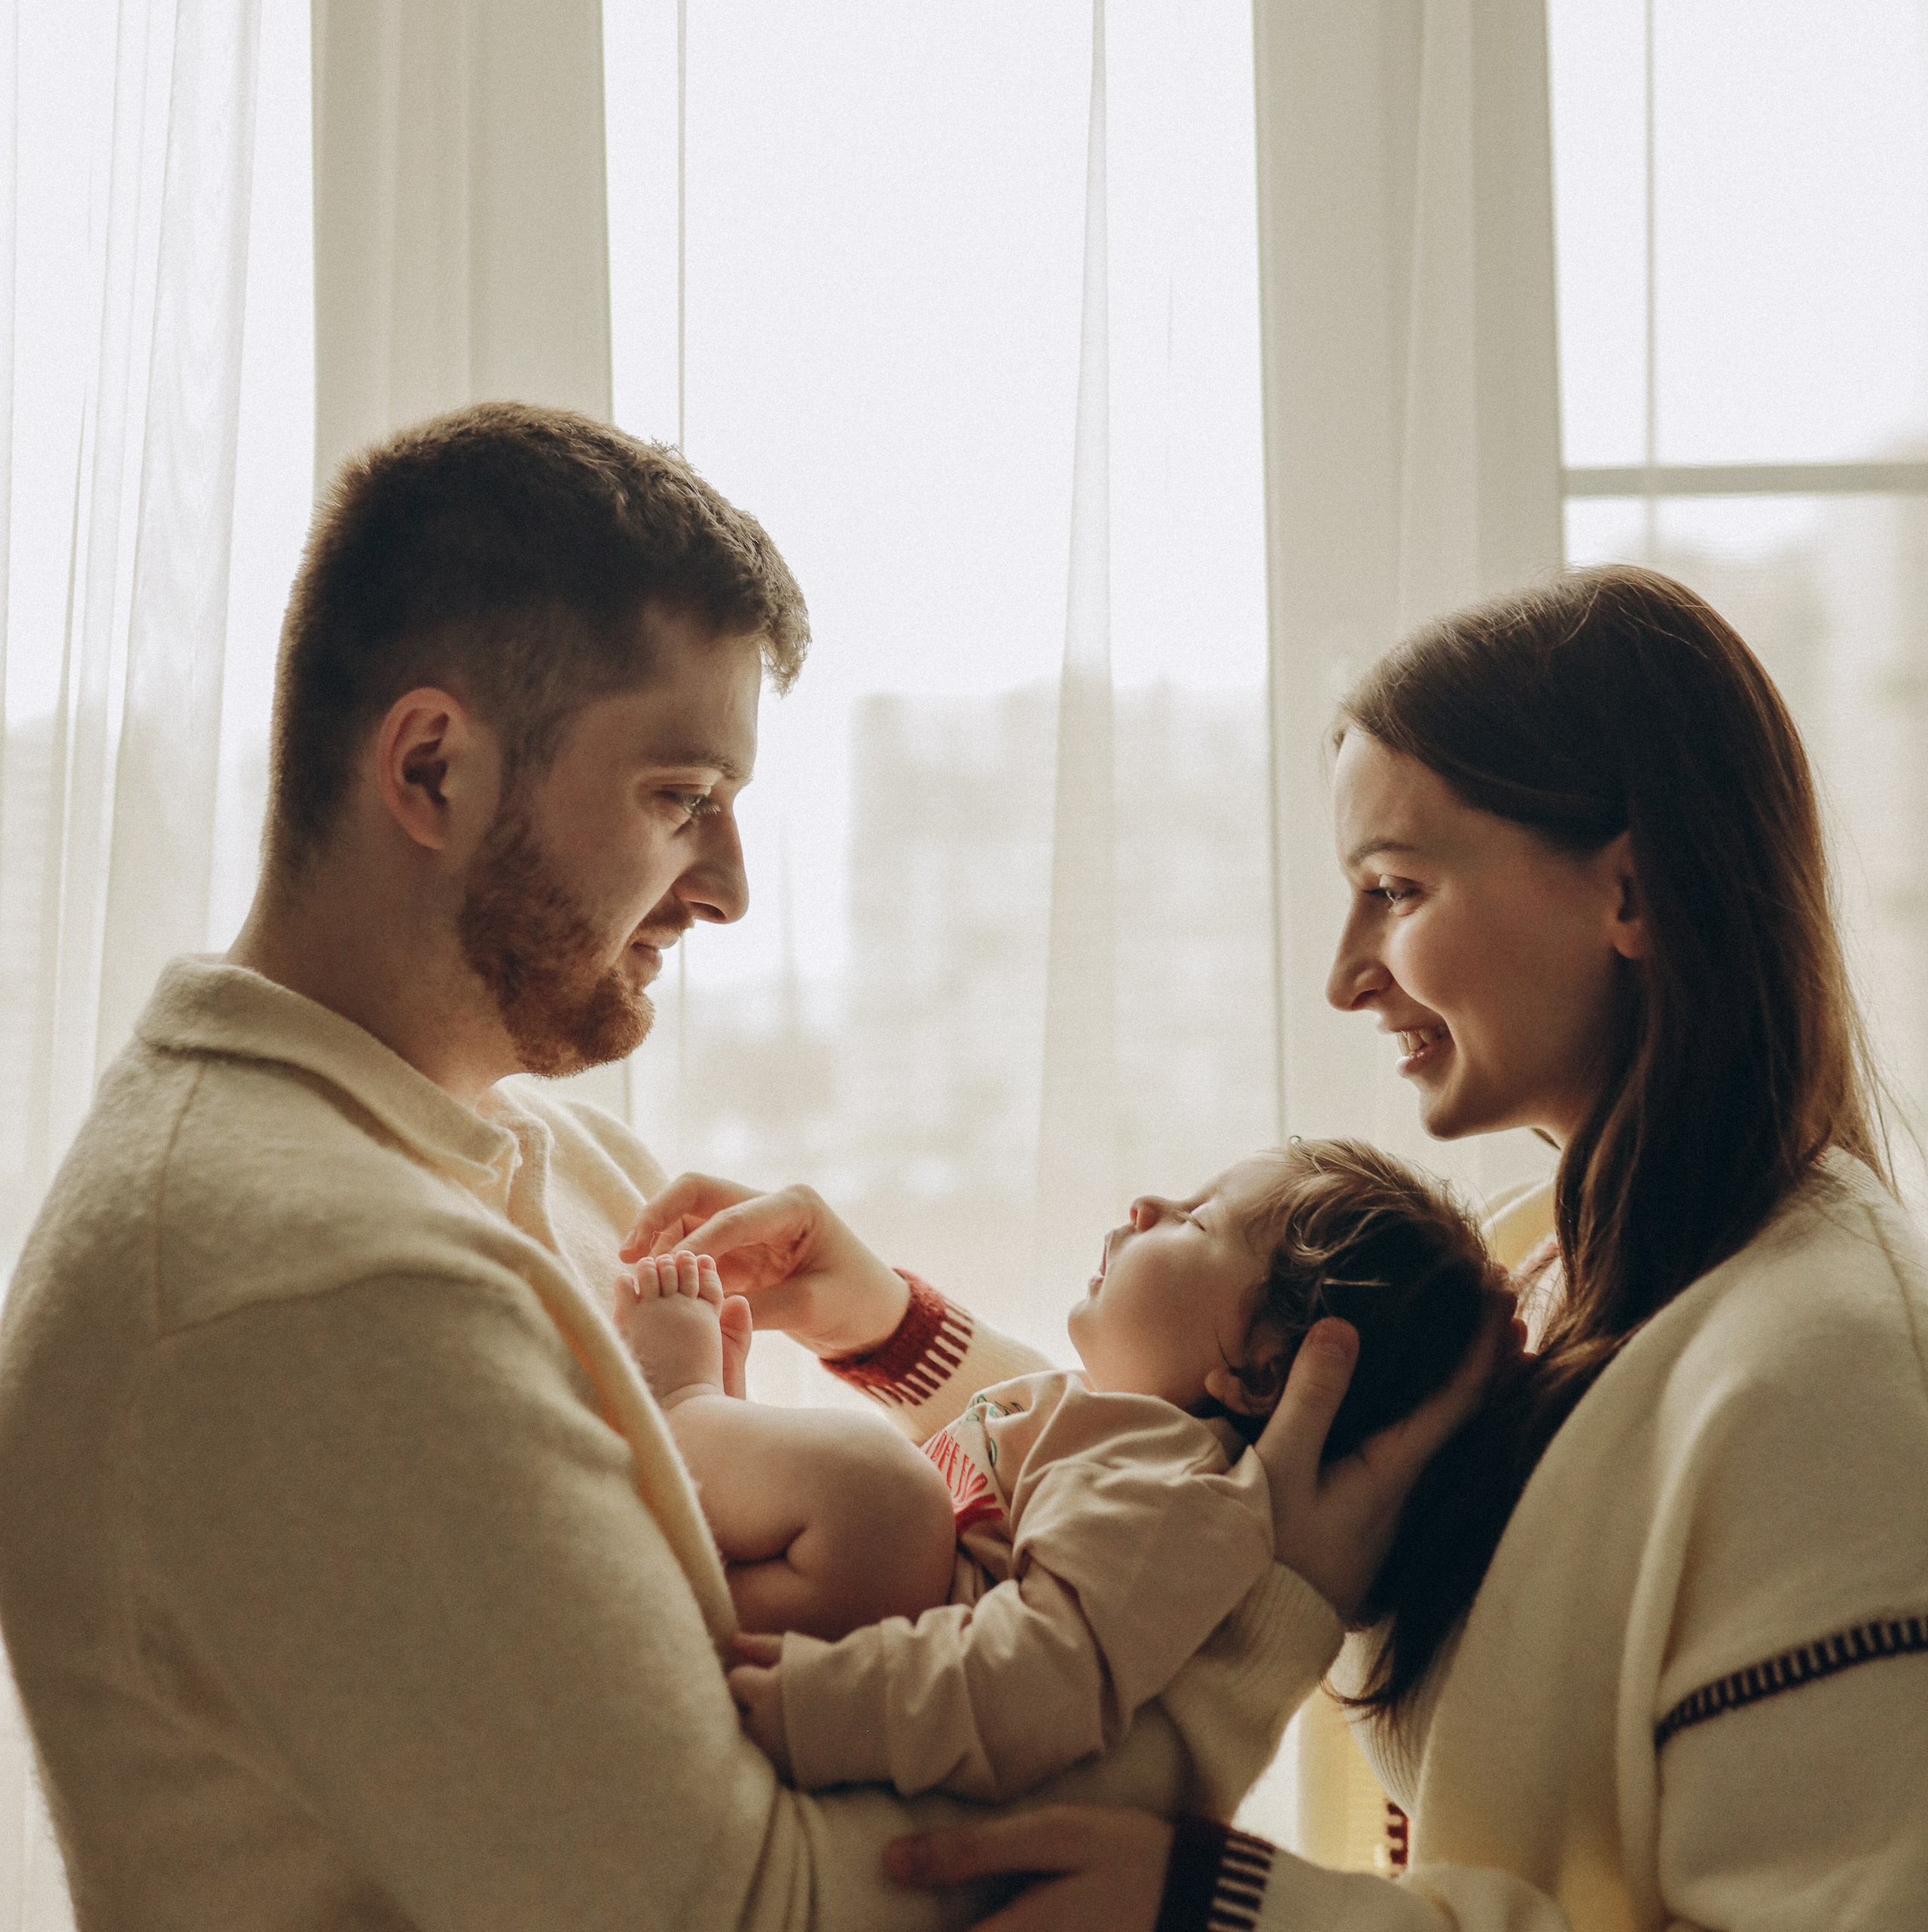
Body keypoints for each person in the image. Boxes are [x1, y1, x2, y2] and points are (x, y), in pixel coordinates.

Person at [0, 401, 1485, 1932]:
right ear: (432, 769)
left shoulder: (548, 1157)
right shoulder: (304, 1282)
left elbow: (1001, 1533)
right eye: (677, 796)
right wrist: (1256, 1640)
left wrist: (899, 1337)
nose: (727, 887)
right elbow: (748, 1911)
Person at [631, 565, 1928, 1930]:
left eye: (1396, 889)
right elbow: (1182, 1504)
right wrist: (888, 1327)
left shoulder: (1826, 1385)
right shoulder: (1539, 1267)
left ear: (1634, 892)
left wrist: (1237, 1910)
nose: (1346, 975)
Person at [617, 1140, 1494, 1809]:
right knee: (872, 1486)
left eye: (1195, 1220)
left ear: (1262, 1374)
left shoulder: (1172, 1487)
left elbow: (1043, 1678)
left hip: (857, 1685)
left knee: (878, 1491)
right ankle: (700, 1464)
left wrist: (818, 1709)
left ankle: (678, 1403)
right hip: (843, 1628)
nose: (1148, 1204)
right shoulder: (1112, 1436)